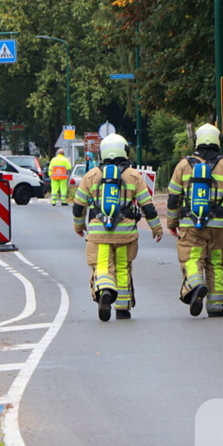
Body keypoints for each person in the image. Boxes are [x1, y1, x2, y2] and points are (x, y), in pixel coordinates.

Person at [166, 123, 223, 317]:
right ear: (218, 141)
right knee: (216, 263)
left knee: (192, 259)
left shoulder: (183, 166)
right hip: (219, 228)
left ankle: (197, 284)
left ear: (197, 140)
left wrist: (172, 223)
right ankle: (216, 307)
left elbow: (173, 198)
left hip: (192, 226)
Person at [73, 134, 163, 321]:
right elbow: (147, 206)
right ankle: (123, 308)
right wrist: (156, 229)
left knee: (102, 266)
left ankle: (105, 289)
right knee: (122, 267)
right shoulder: (133, 175)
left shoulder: (91, 175)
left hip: (99, 233)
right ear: (124, 150)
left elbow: (78, 205)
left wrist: (79, 226)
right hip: (125, 234)